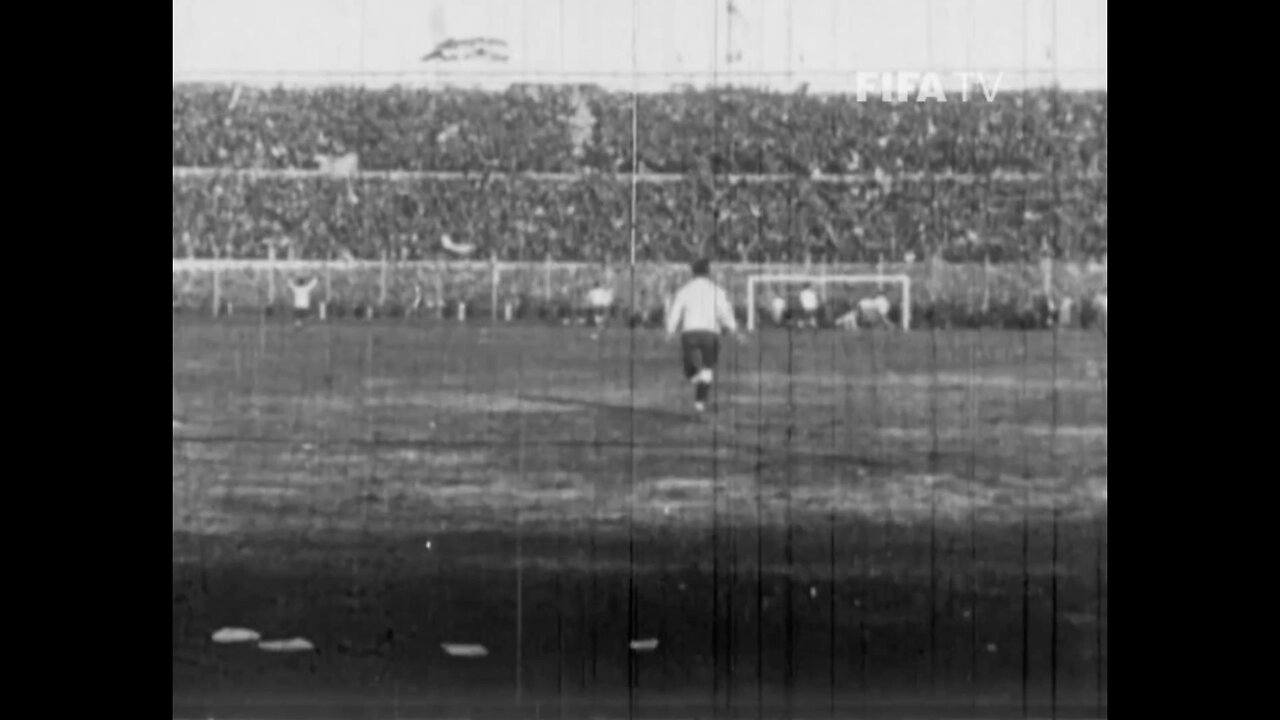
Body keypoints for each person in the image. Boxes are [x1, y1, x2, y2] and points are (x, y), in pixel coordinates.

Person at [665, 258, 740, 413]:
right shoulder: (717, 290)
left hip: (690, 333)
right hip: (710, 333)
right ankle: (700, 402)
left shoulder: (684, 290)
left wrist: (670, 330)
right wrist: (733, 329)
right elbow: (724, 311)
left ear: (693, 272)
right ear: (708, 272)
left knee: (690, 369)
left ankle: (695, 377)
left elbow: (675, 311)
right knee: (707, 368)